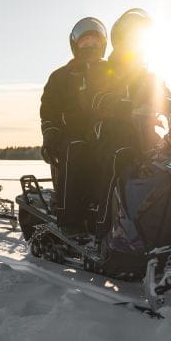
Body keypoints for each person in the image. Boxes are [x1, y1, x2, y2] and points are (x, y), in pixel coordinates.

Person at [84, 8, 162, 233]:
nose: (138, 43)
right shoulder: (102, 69)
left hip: (144, 134)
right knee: (120, 156)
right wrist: (122, 105)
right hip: (108, 134)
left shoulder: (149, 76)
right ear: (121, 38)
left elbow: (168, 97)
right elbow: (94, 97)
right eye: (134, 37)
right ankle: (104, 228)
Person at [39, 17, 109, 234]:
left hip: (105, 132)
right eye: (85, 42)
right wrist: (50, 134)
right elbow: (48, 109)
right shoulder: (61, 76)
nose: (90, 46)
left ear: (103, 44)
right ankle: (69, 219)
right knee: (76, 147)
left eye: (94, 42)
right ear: (75, 45)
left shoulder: (113, 72)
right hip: (70, 135)